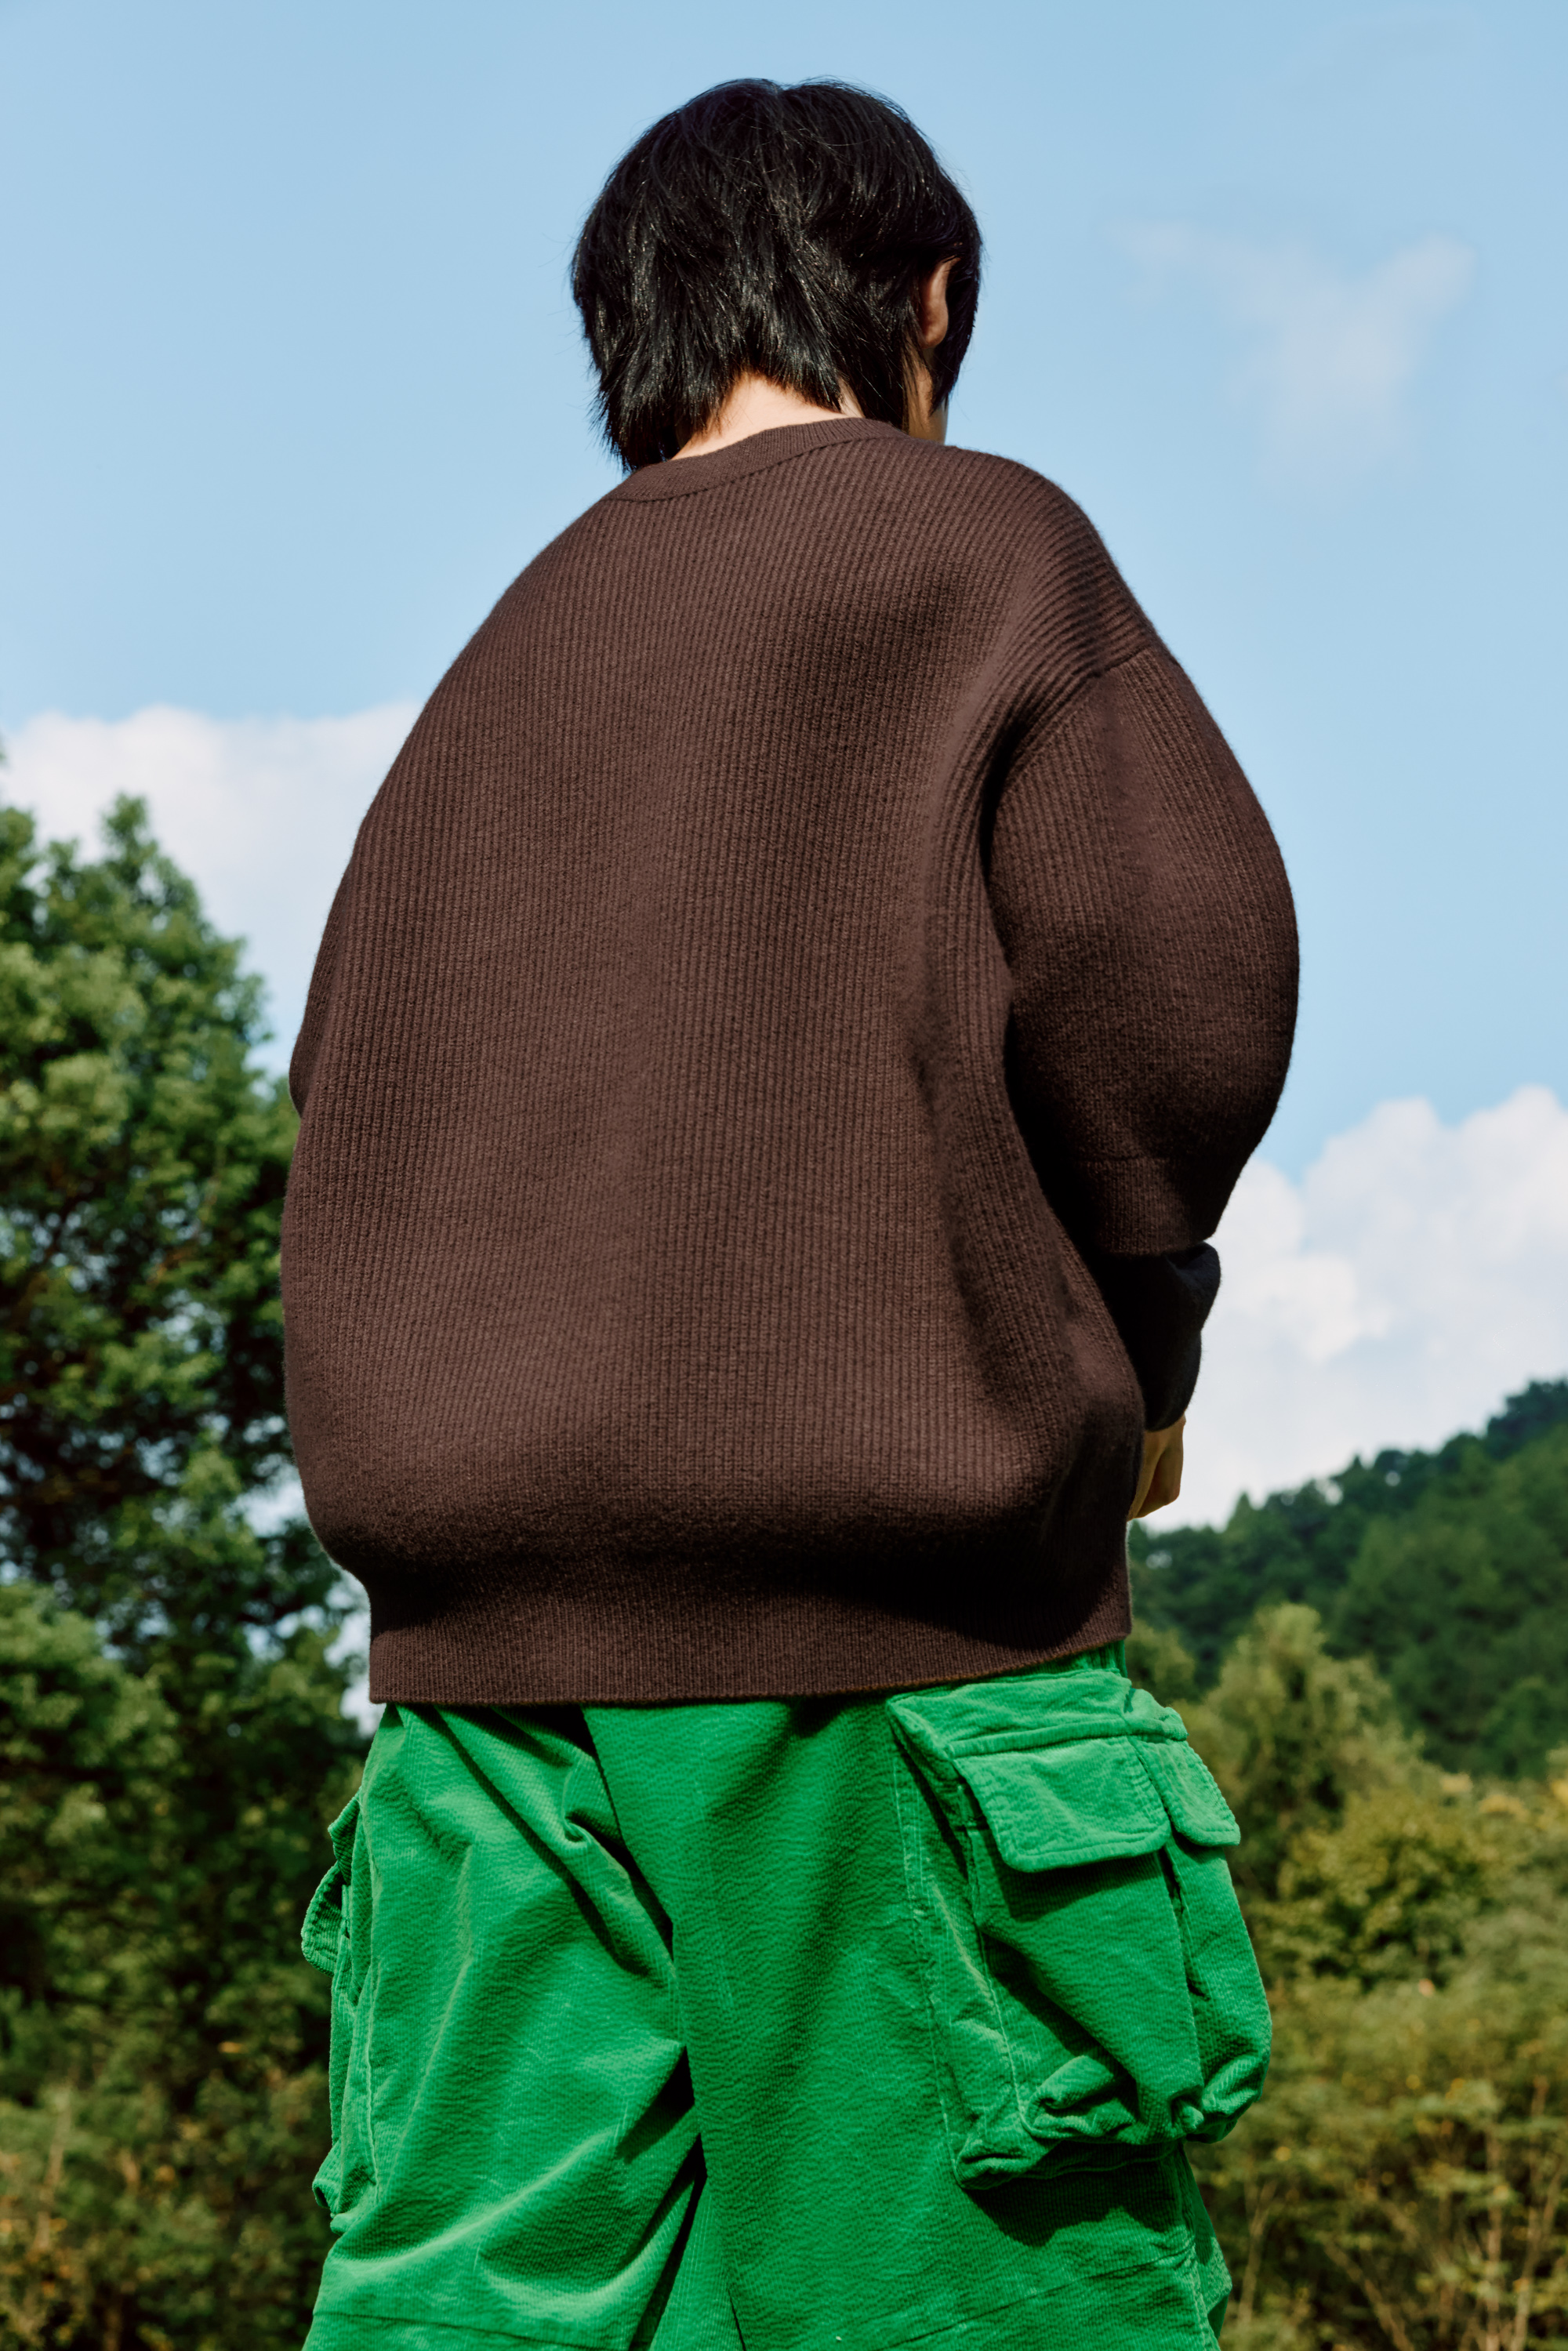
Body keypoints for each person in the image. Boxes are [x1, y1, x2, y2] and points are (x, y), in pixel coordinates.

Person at [284, 77, 1298, 2351]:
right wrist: (1140, 1331)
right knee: (961, 2303)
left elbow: (349, 1081)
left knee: (468, 2317)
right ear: (929, 300)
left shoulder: (498, 652)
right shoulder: (986, 551)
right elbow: (1178, 993)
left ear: (627, 337)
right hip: (882, 1666)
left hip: (480, 1717)